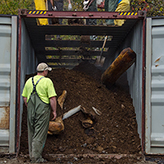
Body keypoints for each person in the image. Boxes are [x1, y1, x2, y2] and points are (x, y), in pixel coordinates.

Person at [22, 63, 57, 163]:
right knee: (39, 133)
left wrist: (29, 108)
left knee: (31, 132)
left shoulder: (29, 81)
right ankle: (36, 158)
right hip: (42, 110)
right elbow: (52, 98)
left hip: (31, 110)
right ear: (45, 71)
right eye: (47, 71)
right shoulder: (47, 81)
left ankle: (32, 155)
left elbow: (25, 97)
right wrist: (54, 111)